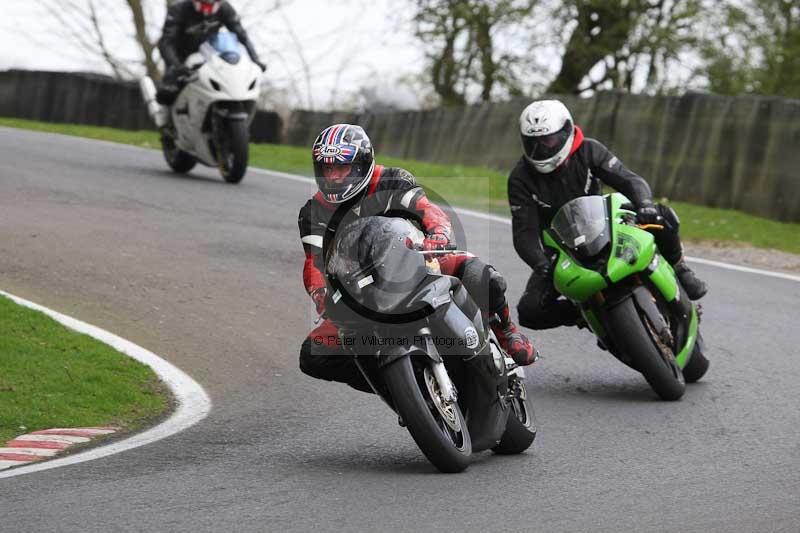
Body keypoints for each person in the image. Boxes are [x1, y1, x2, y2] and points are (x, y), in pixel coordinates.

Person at [298, 124, 537, 392]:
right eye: (327, 168)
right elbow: (314, 263)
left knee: (479, 274)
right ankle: (397, 387)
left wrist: (439, 234)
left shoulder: (391, 179)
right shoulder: (313, 212)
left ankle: (505, 330)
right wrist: (321, 296)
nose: (334, 177)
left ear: (362, 163)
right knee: (314, 355)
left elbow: (427, 210)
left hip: (417, 261)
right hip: (360, 290)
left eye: (342, 168)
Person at [509, 99, 708, 330]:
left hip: (607, 227)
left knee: (663, 215)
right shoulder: (520, 178)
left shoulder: (589, 150)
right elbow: (523, 232)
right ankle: (585, 314)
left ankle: (679, 267)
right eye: (533, 143)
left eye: (548, 140)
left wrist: (644, 204)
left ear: (566, 132)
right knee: (529, 312)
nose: (542, 149)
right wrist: (540, 264)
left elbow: (628, 179)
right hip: (563, 253)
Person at [157, 0, 266, 105]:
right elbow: (166, 42)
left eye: (211, 7)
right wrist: (175, 65)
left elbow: (241, 35)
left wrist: (255, 59)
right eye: (203, 6)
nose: (206, 12)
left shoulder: (224, 8)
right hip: (180, 58)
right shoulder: (178, 9)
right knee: (168, 93)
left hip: (209, 57)